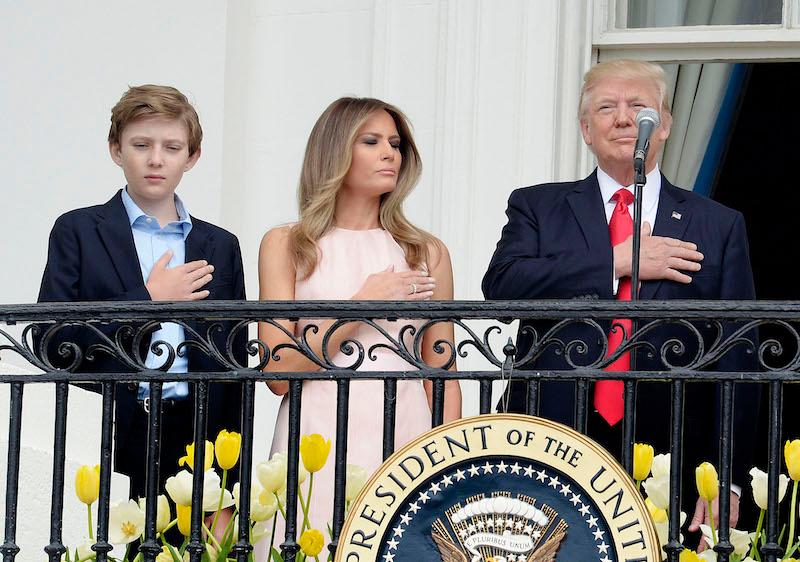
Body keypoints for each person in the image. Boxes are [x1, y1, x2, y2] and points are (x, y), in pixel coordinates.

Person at [482, 60, 758, 539]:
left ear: (666, 125)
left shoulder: (718, 223)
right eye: (607, 107)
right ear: (586, 130)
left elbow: (739, 356)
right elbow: (503, 288)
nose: (624, 118)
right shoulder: (539, 206)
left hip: (674, 452)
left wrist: (727, 481)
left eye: (640, 107)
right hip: (551, 438)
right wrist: (616, 262)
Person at [258, 97, 462, 549]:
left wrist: (448, 463)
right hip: (316, 433)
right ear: (335, 152)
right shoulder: (287, 244)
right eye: (371, 141)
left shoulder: (427, 252)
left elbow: (442, 371)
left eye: (395, 143)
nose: (390, 152)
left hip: (407, 432)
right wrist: (360, 304)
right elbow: (276, 371)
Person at [37, 85, 245, 498]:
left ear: (192, 157)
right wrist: (147, 300)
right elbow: (51, 340)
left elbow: (233, 368)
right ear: (116, 150)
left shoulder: (220, 245)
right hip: (107, 428)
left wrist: (229, 484)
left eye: (172, 147)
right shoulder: (77, 231)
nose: (156, 159)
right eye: (141, 144)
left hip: (197, 434)